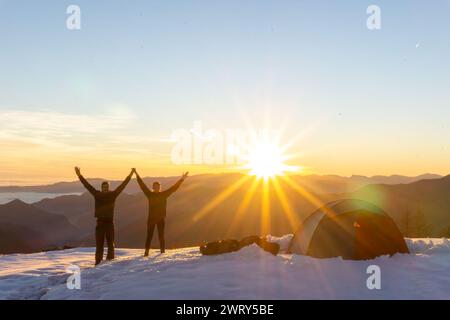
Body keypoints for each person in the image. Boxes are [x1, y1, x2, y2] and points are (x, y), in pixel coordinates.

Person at [75, 167, 135, 265]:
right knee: (99, 246)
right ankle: (98, 263)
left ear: (108, 187)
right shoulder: (97, 194)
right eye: (104, 187)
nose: (105, 188)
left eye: (106, 187)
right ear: (101, 188)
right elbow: (87, 185)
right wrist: (79, 175)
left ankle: (109, 263)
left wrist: (130, 175)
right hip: (100, 223)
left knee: (111, 244)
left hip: (109, 223)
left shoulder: (113, 194)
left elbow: (122, 186)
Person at [135, 170, 189, 256]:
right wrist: (136, 174)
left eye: (157, 186)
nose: (156, 187)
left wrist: (182, 179)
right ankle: (146, 251)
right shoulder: (150, 194)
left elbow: (174, 188)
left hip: (161, 218)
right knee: (149, 236)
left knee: (161, 235)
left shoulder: (164, 194)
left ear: (159, 187)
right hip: (152, 219)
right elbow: (142, 186)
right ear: (153, 187)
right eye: (155, 186)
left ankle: (162, 251)